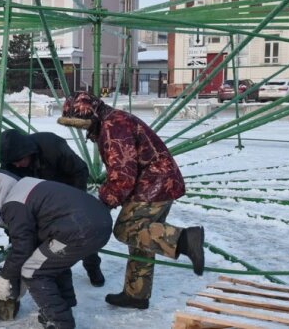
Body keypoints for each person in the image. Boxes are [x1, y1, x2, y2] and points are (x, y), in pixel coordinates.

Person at [57, 91, 205, 310]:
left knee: (127, 229)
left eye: (83, 124)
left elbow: (122, 175)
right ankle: (136, 295)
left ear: (93, 116)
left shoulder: (114, 129)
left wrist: (102, 203)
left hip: (153, 185)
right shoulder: (112, 121)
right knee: (143, 237)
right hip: (161, 182)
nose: (83, 130)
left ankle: (185, 239)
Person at [0, 170, 112, 329]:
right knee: (50, 262)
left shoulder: (13, 204)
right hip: (101, 221)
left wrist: (5, 277)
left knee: (33, 272)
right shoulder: (28, 184)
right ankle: (64, 304)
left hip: (79, 229)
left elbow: (22, 246)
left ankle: (60, 322)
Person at [0, 128, 105, 287]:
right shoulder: (11, 165)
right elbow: (11, 197)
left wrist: (75, 202)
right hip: (39, 201)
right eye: (13, 162)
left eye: (19, 159)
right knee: (38, 236)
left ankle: (92, 266)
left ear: (29, 152)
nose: (18, 165)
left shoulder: (52, 146)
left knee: (81, 231)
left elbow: (80, 170)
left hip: (68, 192)